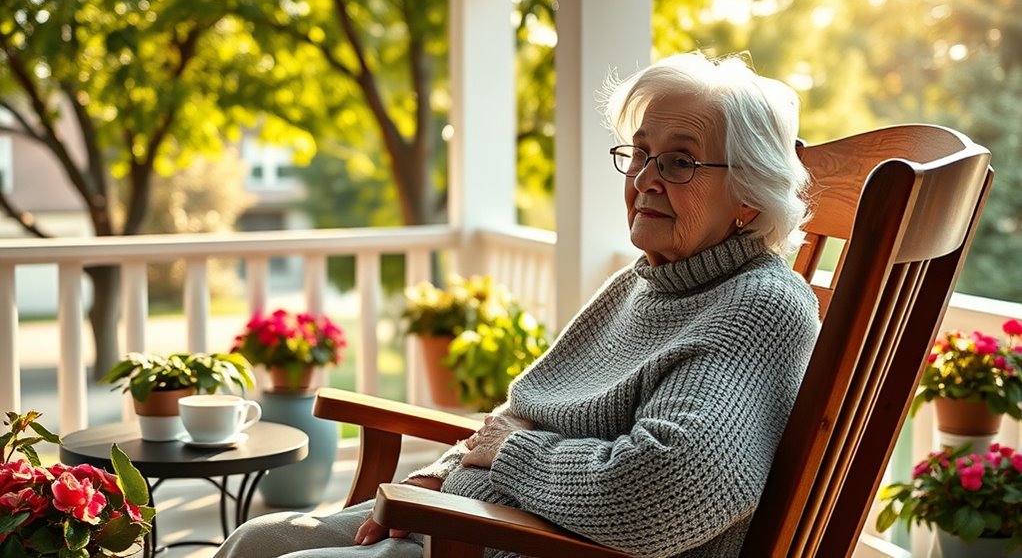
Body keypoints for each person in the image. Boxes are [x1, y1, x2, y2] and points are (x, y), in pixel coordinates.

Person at [215, 51, 820, 558]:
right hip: (481, 515)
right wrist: (442, 474)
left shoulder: (759, 307)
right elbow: (527, 410)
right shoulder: (645, 283)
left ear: (750, 197)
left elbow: (668, 488)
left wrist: (506, 459)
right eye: (639, 154)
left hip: (526, 543)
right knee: (255, 542)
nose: (644, 179)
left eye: (680, 161)